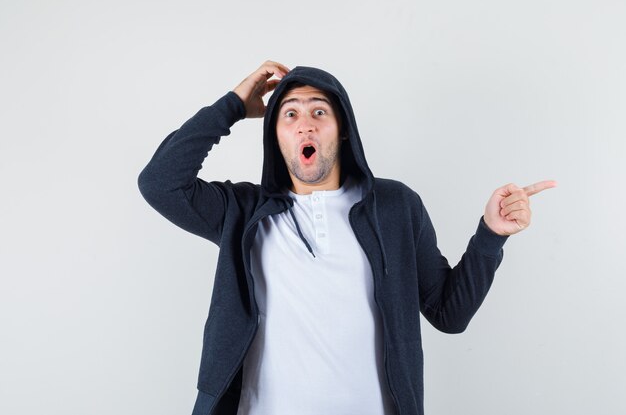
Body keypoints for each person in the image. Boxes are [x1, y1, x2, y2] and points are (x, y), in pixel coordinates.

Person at [137, 60, 556, 415]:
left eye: (319, 113)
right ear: (275, 135)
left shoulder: (395, 206)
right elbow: (160, 183)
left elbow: (449, 314)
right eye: (290, 114)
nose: (305, 126)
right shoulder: (243, 212)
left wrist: (489, 237)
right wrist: (231, 106)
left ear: (342, 130)